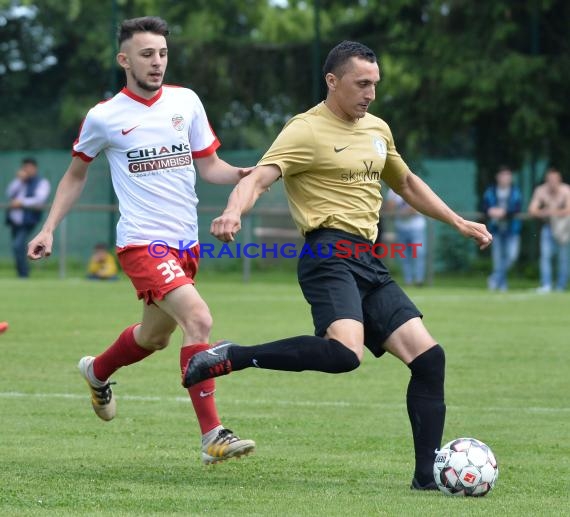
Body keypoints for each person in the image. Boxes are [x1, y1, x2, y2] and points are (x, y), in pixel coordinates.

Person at [182, 41, 492, 489]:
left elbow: (405, 181)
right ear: (333, 81)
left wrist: (458, 220)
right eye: (361, 83)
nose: (370, 93)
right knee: (345, 355)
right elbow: (261, 178)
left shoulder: (377, 129)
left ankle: (426, 478)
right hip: (327, 253)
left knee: (429, 360)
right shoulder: (304, 130)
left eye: (375, 84)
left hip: (367, 258)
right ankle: (232, 356)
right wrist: (234, 211)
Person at [27, 16, 255, 464]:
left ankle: (96, 371)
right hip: (142, 244)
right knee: (199, 320)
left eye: (163, 53)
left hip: (184, 246)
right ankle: (212, 435)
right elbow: (75, 176)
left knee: (153, 338)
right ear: (124, 59)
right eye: (147, 54)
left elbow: (210, 166)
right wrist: (49, 226)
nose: (157, 62)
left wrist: (244, 175)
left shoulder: (186, 102)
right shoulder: (105, 116)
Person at [5, 157, 51, 278]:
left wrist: (22, 202)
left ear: (35, 168)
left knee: (18, 245)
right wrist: (19, 180)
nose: (27, 170)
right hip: (15, 221)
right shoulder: (20, 181)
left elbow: (40, 199)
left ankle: (24, 274)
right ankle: (21, 273)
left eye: (29, 167)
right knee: (17, 247)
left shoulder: (42, 182)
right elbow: (9, 193)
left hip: (29, 220)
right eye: (25, 167)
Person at [528, 167, 570, 293]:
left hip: (563, 229)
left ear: (559, 179)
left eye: (555, 179)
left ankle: (560, 287)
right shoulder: (541, 191)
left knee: (563, 258)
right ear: (546, 180)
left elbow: (569, 210)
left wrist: (550, 211)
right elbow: (532, 210)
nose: (552, 182)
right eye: (550, 179)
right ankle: (546, 285)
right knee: (545, 257)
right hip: (548, 228)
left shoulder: (566, 190)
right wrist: (545, 213)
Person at [481, 166, 523, 291]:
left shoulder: (515, 192)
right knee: (498, 260)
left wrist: (504, 212)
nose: (505, 178)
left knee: (511, 257)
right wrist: (490, 211)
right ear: (498, 177)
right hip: (496, 230)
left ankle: (495, 278)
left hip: (512, 231)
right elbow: (484, 207)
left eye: (508, 175)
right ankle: (502, 285)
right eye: (503, 175)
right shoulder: (490, 191)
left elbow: (516, 208)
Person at [384, 188, 427, 286]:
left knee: (418, 253)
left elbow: (414, 208)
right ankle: (408, 281)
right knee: (404, 255)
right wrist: (393, 205)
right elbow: (389, 210)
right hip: (401, 227)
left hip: (417, 227)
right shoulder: (392, 191)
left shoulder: (413, 187)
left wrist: (400, 212)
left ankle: (419, 280)